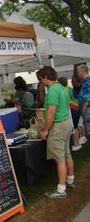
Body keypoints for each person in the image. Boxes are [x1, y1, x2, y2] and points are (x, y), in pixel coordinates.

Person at [39, 66, 74, 198]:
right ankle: (70, 180)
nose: (41, 81)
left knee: (59, 159)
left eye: (41, 79)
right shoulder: (61, 87)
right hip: (66, 123)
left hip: (58, 126)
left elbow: (51, 112)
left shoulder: (53, 91)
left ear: (46, 77)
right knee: (66, 154)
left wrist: (45, 130)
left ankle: (61, 190)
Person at [58, 76, 82, 151]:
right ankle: (78, 143)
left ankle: (75, 144)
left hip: (71, 110)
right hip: (77, 108)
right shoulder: (70, 88)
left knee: (72, 128)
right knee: (75, 127)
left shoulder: (63, 90)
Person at [77, 64, 90, 140]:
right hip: (87, 108)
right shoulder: (85, 82)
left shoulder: (87, 82)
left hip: (87, 108)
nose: (77, 74)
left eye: (78, 72)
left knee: (88, 128)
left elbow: (88, 95)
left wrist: (84, 107)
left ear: (82, 72)